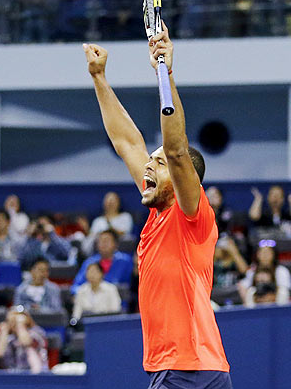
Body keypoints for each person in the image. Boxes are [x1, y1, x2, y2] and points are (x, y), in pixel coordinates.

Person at [83, 28, 231, 387]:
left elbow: (177, 148)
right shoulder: (158, 214)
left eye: (159, 163)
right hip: (192, 368)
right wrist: (100, 78)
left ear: (185, 179)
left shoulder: (191, 215)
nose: (149, 165)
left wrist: (164, 71)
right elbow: (126, 141)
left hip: (186, 368)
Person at [71, 230, 132, 294]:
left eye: (107, 240)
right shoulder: (89, 262)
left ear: (115, 244)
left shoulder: (125, 261)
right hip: (92, 301)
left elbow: (131, 286)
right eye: (100, 240)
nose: (103, 243)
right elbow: (75, 287)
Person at [0, 308, 48, 373]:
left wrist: (20, 325)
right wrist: (4, 331)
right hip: (11, 375)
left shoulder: (36, 331)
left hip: (36, 374)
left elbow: (26, 342)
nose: (15, 320)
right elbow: (0, 353)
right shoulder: (9, 336)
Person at [83, 191, 133, 256]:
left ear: (118, 203)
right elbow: (92, 236)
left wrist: (108, 224)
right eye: (108, 201)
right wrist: (86, 230)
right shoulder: (98, 220)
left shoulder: (125, 217)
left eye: (113, 201)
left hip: (119, 250)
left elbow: (123, 233)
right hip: (98, 251)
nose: (110, 203)